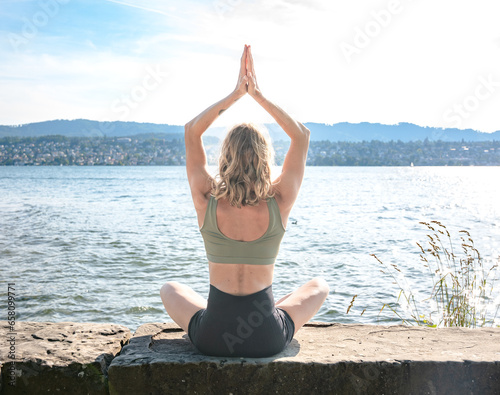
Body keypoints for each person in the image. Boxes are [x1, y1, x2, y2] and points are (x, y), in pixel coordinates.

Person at [160, 45, 329, 358]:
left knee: (169, 288)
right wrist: (258, 95)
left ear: (225, 156)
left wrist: (236, 94)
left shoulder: (205, 198)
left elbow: (191, 131)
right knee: (319, 285)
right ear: (266, 157)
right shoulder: (281, 200)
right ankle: (270, 309)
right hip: (266, 337)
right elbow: (302, 136)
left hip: (212, 337)